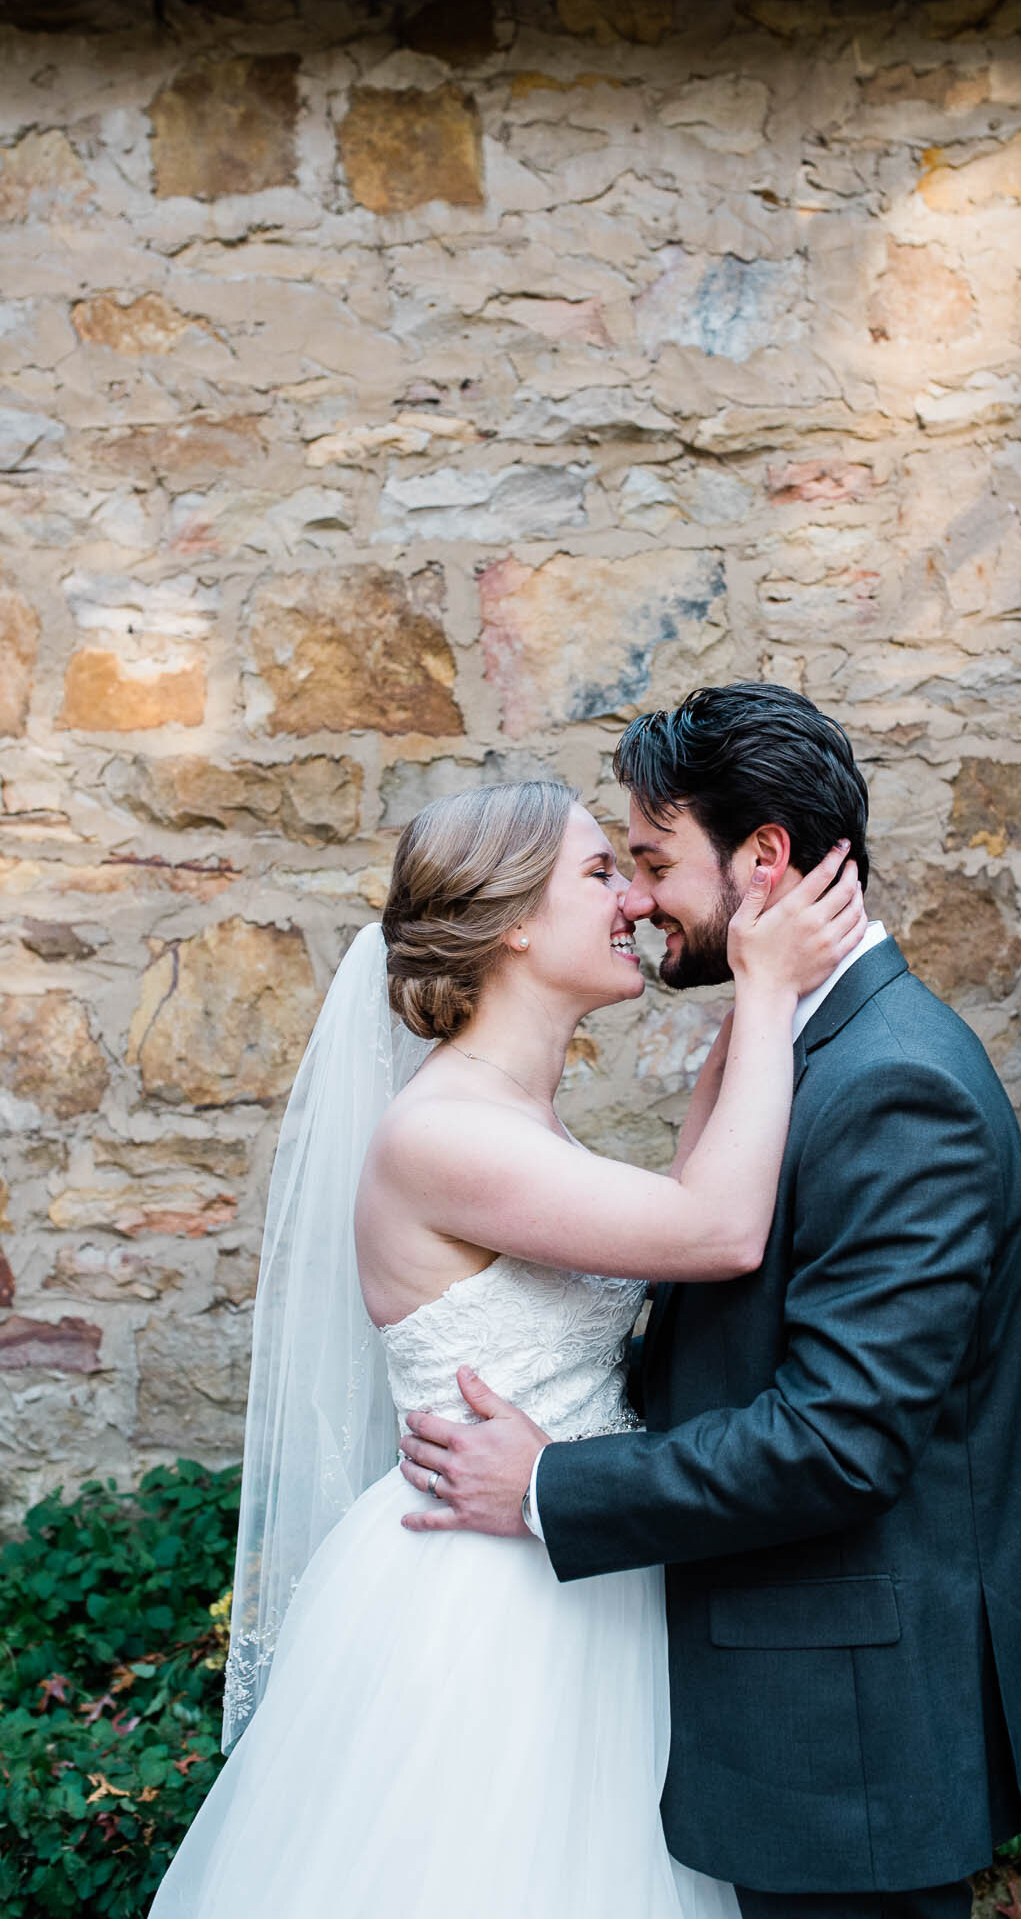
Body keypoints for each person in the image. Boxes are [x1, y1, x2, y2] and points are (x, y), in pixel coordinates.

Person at [147, 775, 864, 1919]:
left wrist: (751, 1001)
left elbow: (687, 1196)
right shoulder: (444, 1135)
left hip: (578, 1557)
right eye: (599, 872)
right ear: (517, 920)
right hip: (486, 1604)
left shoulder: (518, 1118)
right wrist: (769, 994)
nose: (632, 898)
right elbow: (720, 1229)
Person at [398, 683, 1021, 1919]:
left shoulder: (895, 1086)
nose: (638, 899)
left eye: (650, 860)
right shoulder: (796, 1051)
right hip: (755, 1708)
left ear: (763, 860)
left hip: (846, 1742)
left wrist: (548, 1485)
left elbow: (838, 1441)